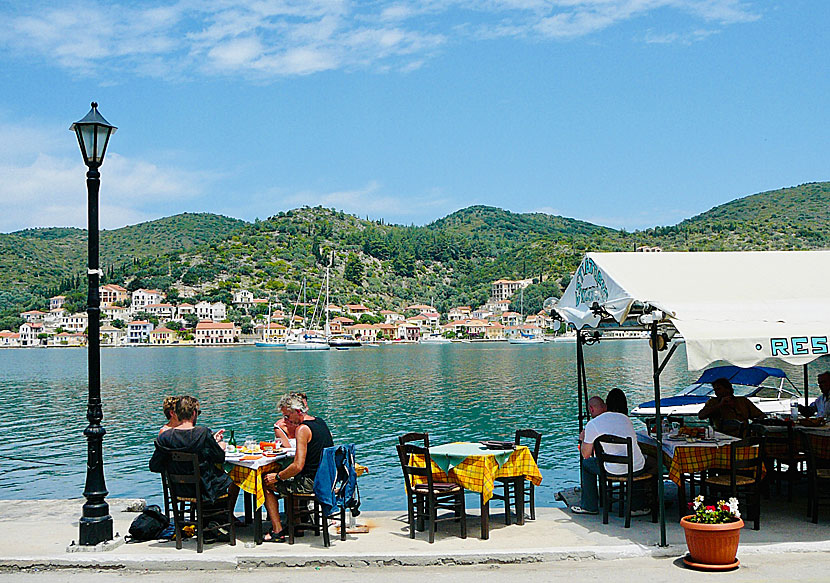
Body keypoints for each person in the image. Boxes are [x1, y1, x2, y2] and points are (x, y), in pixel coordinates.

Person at [262, 392, 333, 542]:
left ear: (298, 412)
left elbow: (298, 466)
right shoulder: (320, 422)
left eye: (287, 416)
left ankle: (277, 530)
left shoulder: (303, 430)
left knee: (266, 484)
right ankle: (296, 524)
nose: (285, 420)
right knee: (289, 480)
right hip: (326, 480)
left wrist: (277, 476)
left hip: (310, 483)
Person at [149, 395, 238, 508]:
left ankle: (211, 517)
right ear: (194, 413)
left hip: (177, 489)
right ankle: (223, 516)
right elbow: (219, 458)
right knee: (234, 479)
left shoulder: (165, 437)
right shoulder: (203, 433)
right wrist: (219, 446)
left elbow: (154, 466)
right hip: (204, 489)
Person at [571, 395, 650, 516]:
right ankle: (636, 506)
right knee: (639, 460)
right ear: (605, 407)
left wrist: (583, 439)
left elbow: (586, 454)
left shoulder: (592, 425)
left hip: (613, 470)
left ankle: (589, 506)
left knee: (586, 464)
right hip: (636, 467)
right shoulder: (624, 418)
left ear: (591, 409)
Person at [698, 377, 765, 434]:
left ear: (728, 389)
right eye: (715, 390)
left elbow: (761, 415)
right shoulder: (712, 402)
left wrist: (753, 425)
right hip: (722, 436)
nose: (716, 392)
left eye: (719, 389)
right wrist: (720, 405)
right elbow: (701, 416)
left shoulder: (743, 401)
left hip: (744, 436)